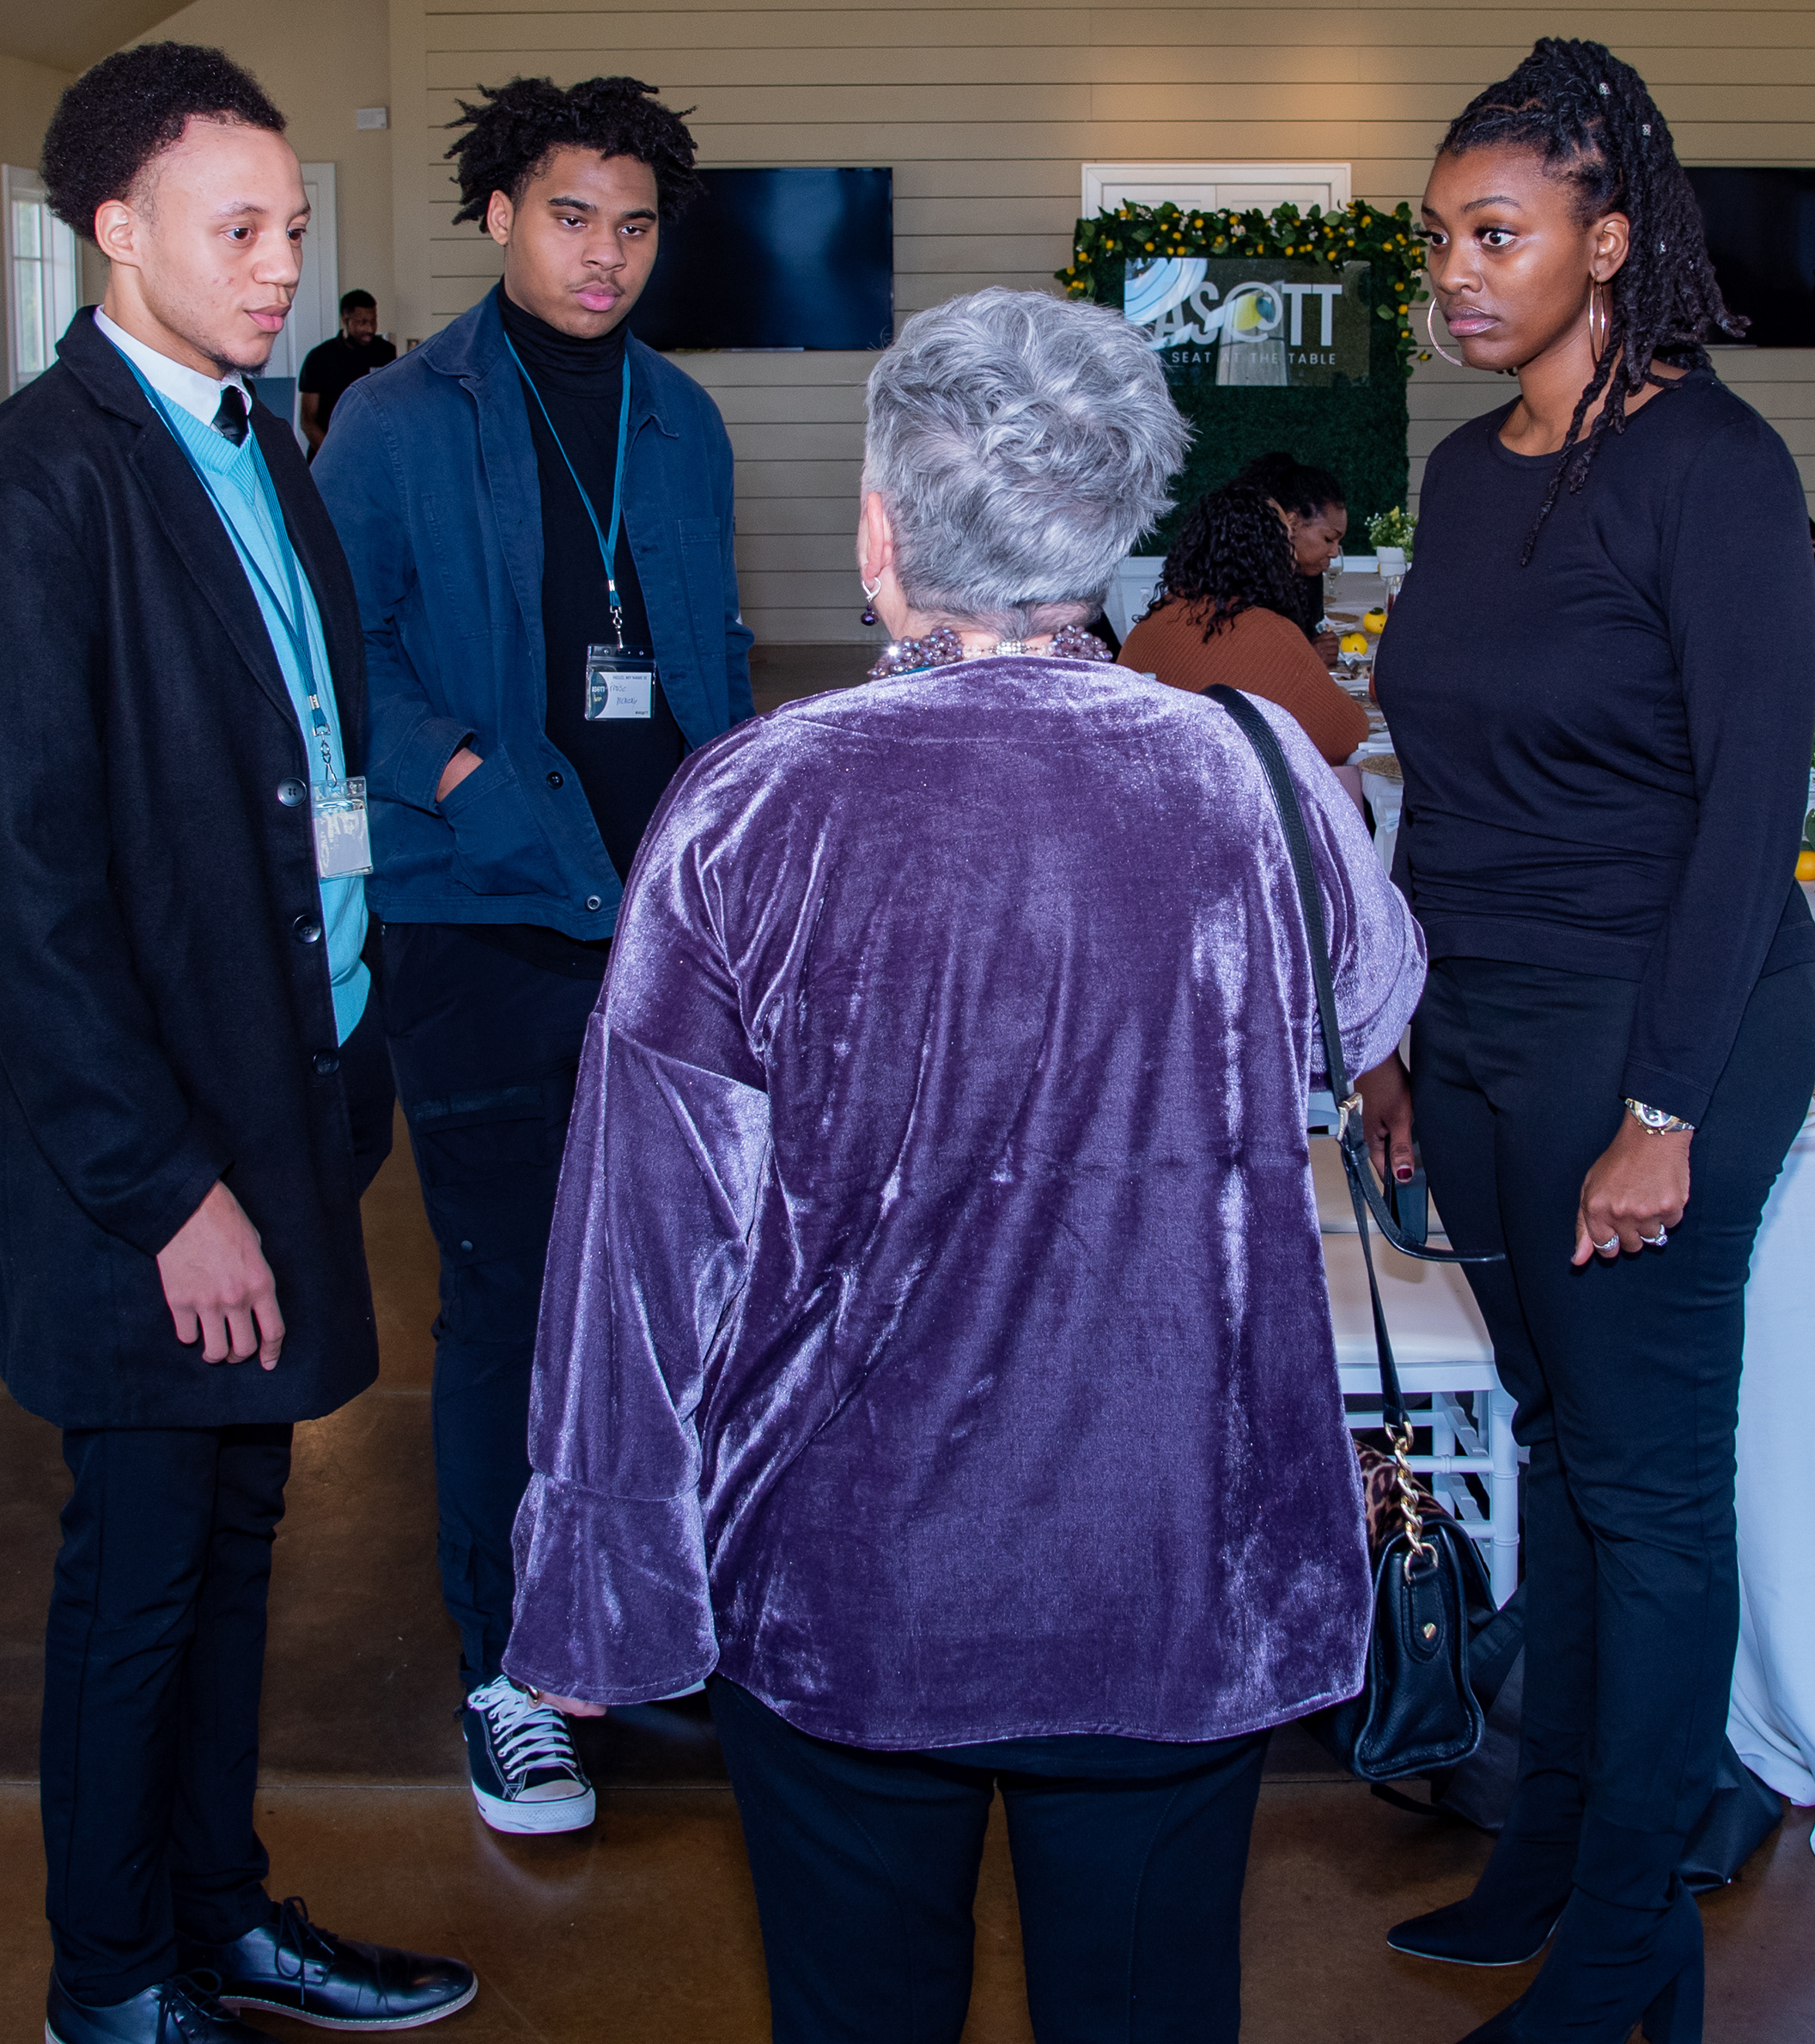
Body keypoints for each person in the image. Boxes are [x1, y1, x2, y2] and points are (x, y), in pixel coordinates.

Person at [502, 288, 1424, 2044]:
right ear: (1106, 530)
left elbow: (644, 1232)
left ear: (881, 531)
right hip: (1177, 1554)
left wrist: (599, 1578)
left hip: (846, 1565)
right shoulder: (1250, 771)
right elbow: (1367, 1001)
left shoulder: (750, 804)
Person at [0, 44, 476, 2044]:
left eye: (292, 226)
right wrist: (169, 1191)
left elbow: (304, 767)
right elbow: (29, 900)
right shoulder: (29, 488)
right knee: (141, 1569)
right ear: (116, 229)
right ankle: (110, 1983)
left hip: (283, 1096)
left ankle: (219, 1916)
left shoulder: (256, 445)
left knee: (239, 1542)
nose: (278, 264)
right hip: (155, 1164)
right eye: (236, 229)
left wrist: (340, 1076)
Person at [1371, 39, 1815, 2044]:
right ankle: (1542, 1855)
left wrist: (1663, 1107)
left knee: (1645, 1496)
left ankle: (1637, 1937)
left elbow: (1750, 809)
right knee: (1553, 1451)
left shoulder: (1714, 468)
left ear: (1609, 240)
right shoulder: (1466, 474)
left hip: (1652, 1028)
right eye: (1439, 240)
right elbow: (1440, 789)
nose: (1456, 275)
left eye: (1497, 234)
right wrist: (1396, 1033)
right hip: (1481, 1025)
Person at [313, 75, 752, 1840]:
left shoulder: (684, 419)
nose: (605, 256)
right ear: (499, 214)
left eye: (634, 226)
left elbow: (708, 662)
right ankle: (513, 1672)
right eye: (572, 217)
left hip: (666, 928)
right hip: (481, 916)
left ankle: (634, 1623)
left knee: (672, 1297)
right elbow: (346, 651)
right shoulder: (396, 419)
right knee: (513, 1299)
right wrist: (469, 781)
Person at [1118, 482, 1371, 793]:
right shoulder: (1268, 632)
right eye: (1286, 543)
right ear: (1268, 555)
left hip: (1147, 797)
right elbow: (1346, 736)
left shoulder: (1147, 628)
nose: (1292, 556)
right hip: (1233, 805)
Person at [1232, 447, 1353, 641]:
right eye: (1329, 539)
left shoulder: (1308, 576)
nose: (1334, 553)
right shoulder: (1245, 582)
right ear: (1291, 523)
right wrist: (1311, 654)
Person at [296, 288, 395, 453]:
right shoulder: (319, 357)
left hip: (373, 450)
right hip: (329, 451)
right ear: (345, 319)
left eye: (373, 321)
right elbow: (308, 420)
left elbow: (392, 402)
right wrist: (333, 454)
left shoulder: (386, 352)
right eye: (362, 322)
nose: (370, 329)